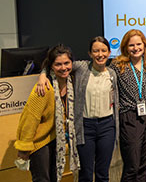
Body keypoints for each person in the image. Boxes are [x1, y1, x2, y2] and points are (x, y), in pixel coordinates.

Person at [36, 36, 120, 182]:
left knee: (103, 173)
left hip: (107, 127)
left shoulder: (112, 74)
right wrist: (42, 75)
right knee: (86, 174)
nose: (100, 54)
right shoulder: (81, 67)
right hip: (85, 127)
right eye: (96, 51)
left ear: (109, 52)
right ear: (90, 53)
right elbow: (55, 63)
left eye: (103, 50)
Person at [15, 44, 80, 182]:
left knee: (54, 178)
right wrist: (24, 147)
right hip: (39, 142)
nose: (63, 68)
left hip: (57, 139)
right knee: (43, 179)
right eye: (58, 64)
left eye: (67, 63)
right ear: (51, 66)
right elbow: (29, 118)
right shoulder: (44, 88)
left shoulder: (71, 81)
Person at [110, 29, 146, 182]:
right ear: (125, 47)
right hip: (130, 116)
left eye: (139, 44)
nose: (136, 48)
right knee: (132, 165)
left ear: (144, 46)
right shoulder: (118, 66)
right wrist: (44, 72)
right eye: (131, 45)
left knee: (145, 164)